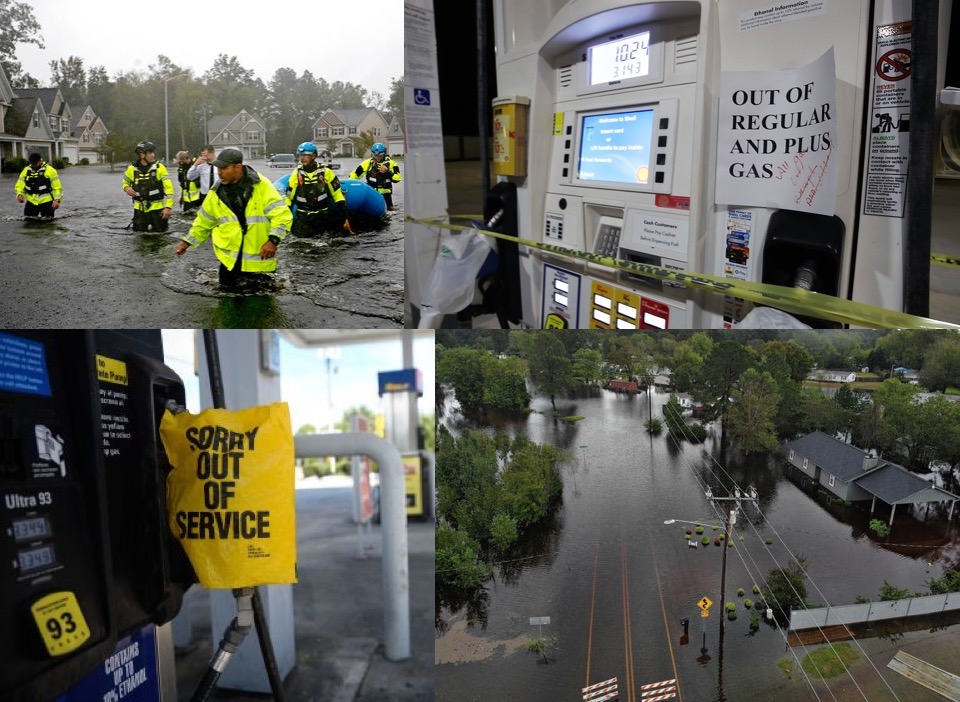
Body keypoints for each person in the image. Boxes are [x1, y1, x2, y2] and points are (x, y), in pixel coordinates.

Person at [174, 148, 292, 290]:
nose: (219, 172)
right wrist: (187, 242)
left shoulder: (261, 185)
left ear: (238, 167)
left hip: (259, 263)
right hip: (229, 262)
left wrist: (273, 241)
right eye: (218, 168)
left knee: (260, 308)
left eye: (224, 168)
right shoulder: (216, 192)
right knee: (226, 306)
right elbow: (203, 221)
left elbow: (282, 214)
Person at [285, 142, 351, 237]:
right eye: (300, 155)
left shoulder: (326, 172)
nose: (302, 158)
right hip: (303, 216)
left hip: (323, 215)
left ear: (314, 156)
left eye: (305, 155)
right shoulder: (296, 174)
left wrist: (344, 217)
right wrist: (286, 218)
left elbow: (337, 195)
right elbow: (288, 198)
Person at [122, 141, 174, 231]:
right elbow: (125, 182)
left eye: (153, 152)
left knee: (160, 238)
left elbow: (169, 189)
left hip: (158, 211)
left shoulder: (159, 168)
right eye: (150, 152)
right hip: (139, 211)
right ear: (142, 155)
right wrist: (126, 188)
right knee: (139, 237)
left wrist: (168, 207)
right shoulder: (132, 169)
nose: (153, 155)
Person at [349, 142, 401, 210]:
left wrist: (388, 173)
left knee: (390, 209)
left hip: (386, 195)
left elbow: (397, 178)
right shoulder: (367, 163)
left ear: (384, 153)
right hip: (372, 193)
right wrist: (349, 183)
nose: (377, 157)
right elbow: (355, 175)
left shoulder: (392, 164)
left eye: (380, 155)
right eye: (375, 155)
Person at [15, 152, 62, 219]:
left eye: (35, 163)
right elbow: (19, 185)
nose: (33, 165)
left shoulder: (51, 170)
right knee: (28, 223)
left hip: (47, 202)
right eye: (32, 164)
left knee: (48, 224)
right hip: (31, 202)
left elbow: (58, 188)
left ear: (40, 161)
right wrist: (19, 194)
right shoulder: (26, 170)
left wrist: (57, 200)